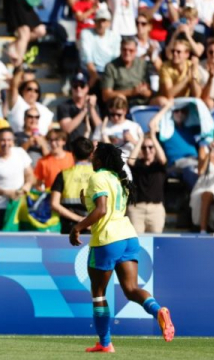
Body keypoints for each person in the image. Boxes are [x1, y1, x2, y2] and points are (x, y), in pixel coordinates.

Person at [69, 142, 175, 352]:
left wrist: (78, 227)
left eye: (94, 156)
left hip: (107, 240)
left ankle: (105, 343)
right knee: (131, 289)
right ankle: (158, 311)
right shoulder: (120, 178)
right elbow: (105, 206)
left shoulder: (98, 177)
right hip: (128, 236)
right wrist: (86, 200)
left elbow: (101, 210)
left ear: (99, 160)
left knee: (98, 293)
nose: (91, 158)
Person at [0, 127, 34, 230]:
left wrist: (27, 185)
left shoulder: (20, 152)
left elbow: (29, 174)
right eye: (2, 140)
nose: (6, 143)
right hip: (2, 207)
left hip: (21, 205)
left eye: (9, 140)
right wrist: (7, 192)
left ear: (13, 141)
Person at [50, 137, 95, 235]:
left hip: (70, 227)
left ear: (72, 154)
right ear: (91, 154)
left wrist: (79, 219)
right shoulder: (99, 174)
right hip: (94, 226)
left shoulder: (63, 174)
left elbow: (54, 204)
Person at [128, 128, 167, 234]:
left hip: (156, 209)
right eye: (144, 148)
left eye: (150, 147)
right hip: (136, 209)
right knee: (136, 242)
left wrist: (153, 138)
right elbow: (130, 161)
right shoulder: (137, 165)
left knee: (157, 242)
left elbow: (163, 159)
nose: (147, 150)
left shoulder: (159, 166)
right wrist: (140, 141)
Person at [101, 37, 153, 107]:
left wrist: (144, 92)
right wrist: (131, 92)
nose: (127, 53)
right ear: (120, 50)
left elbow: (149, 92)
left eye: (131, 50)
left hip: (141, 103)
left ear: (136, 51)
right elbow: (106, 95)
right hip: (120, 104)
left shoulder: (142, 65)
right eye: (124, 50)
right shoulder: (111, 67)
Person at [94, 95, 144, 162]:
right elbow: (94, 149)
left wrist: (132, 141)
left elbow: (143, 153)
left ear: (125, 111)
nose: (115, 117)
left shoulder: (135, 126)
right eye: (112, 114)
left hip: (131, 162)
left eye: (118, 115)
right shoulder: (102, 126)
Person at [79, 8, 121, 86]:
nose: (101, 25)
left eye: (104, 21)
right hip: (90, 71)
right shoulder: (85, 33)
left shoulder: (115, 36)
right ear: (95, 21)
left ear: (109, 23)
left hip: (108, 71)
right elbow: (87, 57)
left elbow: (116, 57)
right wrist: (94, 75)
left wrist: (108, 75)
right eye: (99, 21)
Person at [7, 68, 54, 135]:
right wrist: (21, 66)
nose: (33, 92)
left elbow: (50, 132)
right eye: (29, 89)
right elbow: (14, 85)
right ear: (23, 91)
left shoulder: (45, 110)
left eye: (36, 91)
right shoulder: (17, 102)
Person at [58, 71, 101, 145]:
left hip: (91, 148)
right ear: (71, 88)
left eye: (82, 85)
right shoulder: (64, 106)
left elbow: (100, 128)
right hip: (72, 149)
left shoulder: (93, 105)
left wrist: (91, 108)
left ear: (87, 88)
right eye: (75, 86)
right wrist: (84, 110)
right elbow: (66, 129)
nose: (78, 88)